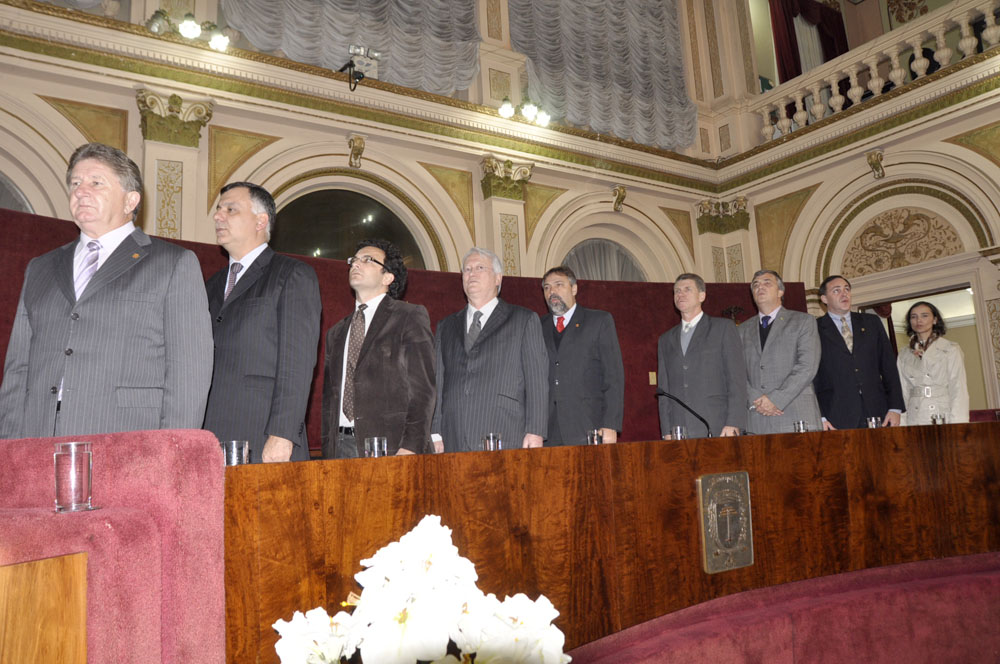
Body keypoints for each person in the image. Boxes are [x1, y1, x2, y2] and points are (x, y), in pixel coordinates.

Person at [0, 142, 213, 438]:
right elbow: (18, 366)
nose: (81, 191)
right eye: (76, 183)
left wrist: (174, 449)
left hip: (125, 437)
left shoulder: (172, 263)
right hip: (39, 435)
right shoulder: (41, 267)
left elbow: (189, 371)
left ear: (130, 201)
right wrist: (8, 446)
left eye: (96, 182)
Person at [202, 182, 321, 462]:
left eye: (231, 209)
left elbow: (297, 365)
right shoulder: (210, 285)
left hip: (263, 436)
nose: (218, 216)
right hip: (210, 436)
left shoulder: (291, 275)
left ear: (261, 221)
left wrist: (282, 434)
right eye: (218, 210)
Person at [321, 239, 435, 457]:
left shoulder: (409, 317)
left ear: (388, 277)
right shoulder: (336, 332)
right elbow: (329, 401)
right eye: (354, 260)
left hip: (392, 446)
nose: (356, 264)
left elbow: (423, 391)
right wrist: (328, 451)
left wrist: (411, 447)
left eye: (367, 260)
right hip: (340, 448)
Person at [432, 247, 547, 452]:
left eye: (480, 268)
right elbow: (438, 381)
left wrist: (535, 430)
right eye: (467, 270)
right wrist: (435, 431)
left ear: (498, 278)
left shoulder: (523, 320)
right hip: (453, 436)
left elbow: (537, 380)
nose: (471, 274)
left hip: (504, 431)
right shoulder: (446, 326)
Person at [540, 266, 624, 445]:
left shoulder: (599, 321)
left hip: (588, 427)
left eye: (558, 285)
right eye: (547, 287)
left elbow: (613, 377)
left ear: (574, 288)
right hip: (548, 430)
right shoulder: (538, 326)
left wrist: (611, 424)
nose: (552, 291)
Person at [658, 273, 746, 438]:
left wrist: (734, 422)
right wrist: (666, 431)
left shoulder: (723, 328)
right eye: (677, 291)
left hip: (717, 424)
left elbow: (737, 380)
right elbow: (664, 390)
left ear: (702, 296)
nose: (680, 294)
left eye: (687, 289)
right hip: (678, 429)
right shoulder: (665, 339)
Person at [813, 275, 904, 429]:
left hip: (877, 410)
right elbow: (813, 376)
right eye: (836, 291)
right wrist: (819, 416)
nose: (844, 294)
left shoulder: (871, 322)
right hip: (836, 413)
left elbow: (888, 366)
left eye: (847, 289)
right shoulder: (814, 328)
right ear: (824, 298)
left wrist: (895, 407)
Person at [737, 269, 821, 434]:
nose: (760, 287)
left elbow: (807, 367)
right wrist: (755, 400)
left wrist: (776, 399)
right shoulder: (741, 330)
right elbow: (737, 372)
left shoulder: (803, 321)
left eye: (767, 283)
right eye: (755, 285)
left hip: (796, 415)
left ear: (780, 291)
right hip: (757, 419)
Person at [897, 301, 969, 425]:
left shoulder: (950, 349)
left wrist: (959, 425)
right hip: (914, 416)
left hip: (941, 414)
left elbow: (958, 389)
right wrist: (902, 424)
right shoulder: (904, 354)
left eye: (924, 315)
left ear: (935, 320)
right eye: (913, 317)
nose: (919, 320)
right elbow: (903, 391)